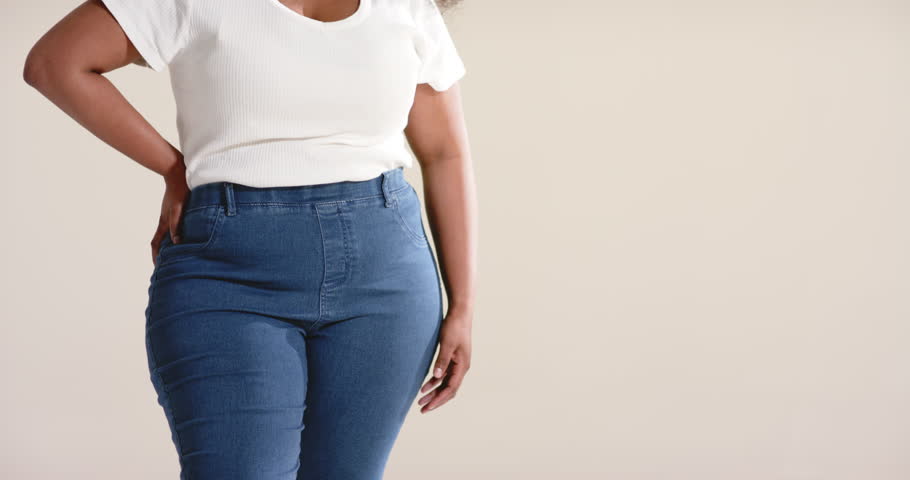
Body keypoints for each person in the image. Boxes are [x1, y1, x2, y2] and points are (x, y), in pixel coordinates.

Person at [23, 0, 476, 477]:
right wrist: (173, 168)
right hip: (229, 273)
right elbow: (55, 63)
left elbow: (444, 152)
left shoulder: (407, 6)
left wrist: (463, 305)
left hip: (385, 273)